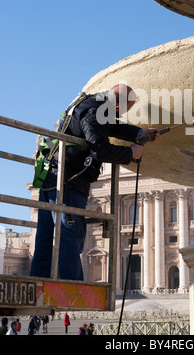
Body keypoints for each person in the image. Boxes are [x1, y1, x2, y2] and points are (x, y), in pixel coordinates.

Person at [30, 84, 159, 281]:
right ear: (118, 106)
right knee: (70, 235)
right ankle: (69, 288)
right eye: (126, 109)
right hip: (68, 180)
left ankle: (37, 292)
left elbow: (112, 127)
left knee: (46, 238)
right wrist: (130, 152)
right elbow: (100, 148)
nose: (124, 113)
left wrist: (139, 133)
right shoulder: (94, 111)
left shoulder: (91, 104)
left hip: (52, 176)